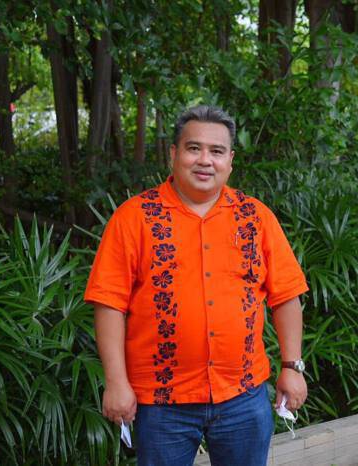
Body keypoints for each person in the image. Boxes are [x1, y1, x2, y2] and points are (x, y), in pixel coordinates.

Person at [84, 105, 309, 466]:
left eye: (217, 151)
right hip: (161, 401)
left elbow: (286, 296)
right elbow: (109, 304)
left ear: (230, 161)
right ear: (173, 154)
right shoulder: (134, 218)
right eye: (194, 148)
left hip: (243, 395)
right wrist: (116, 382)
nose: (205, 160)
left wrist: (292, 366)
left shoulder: (255, 217)